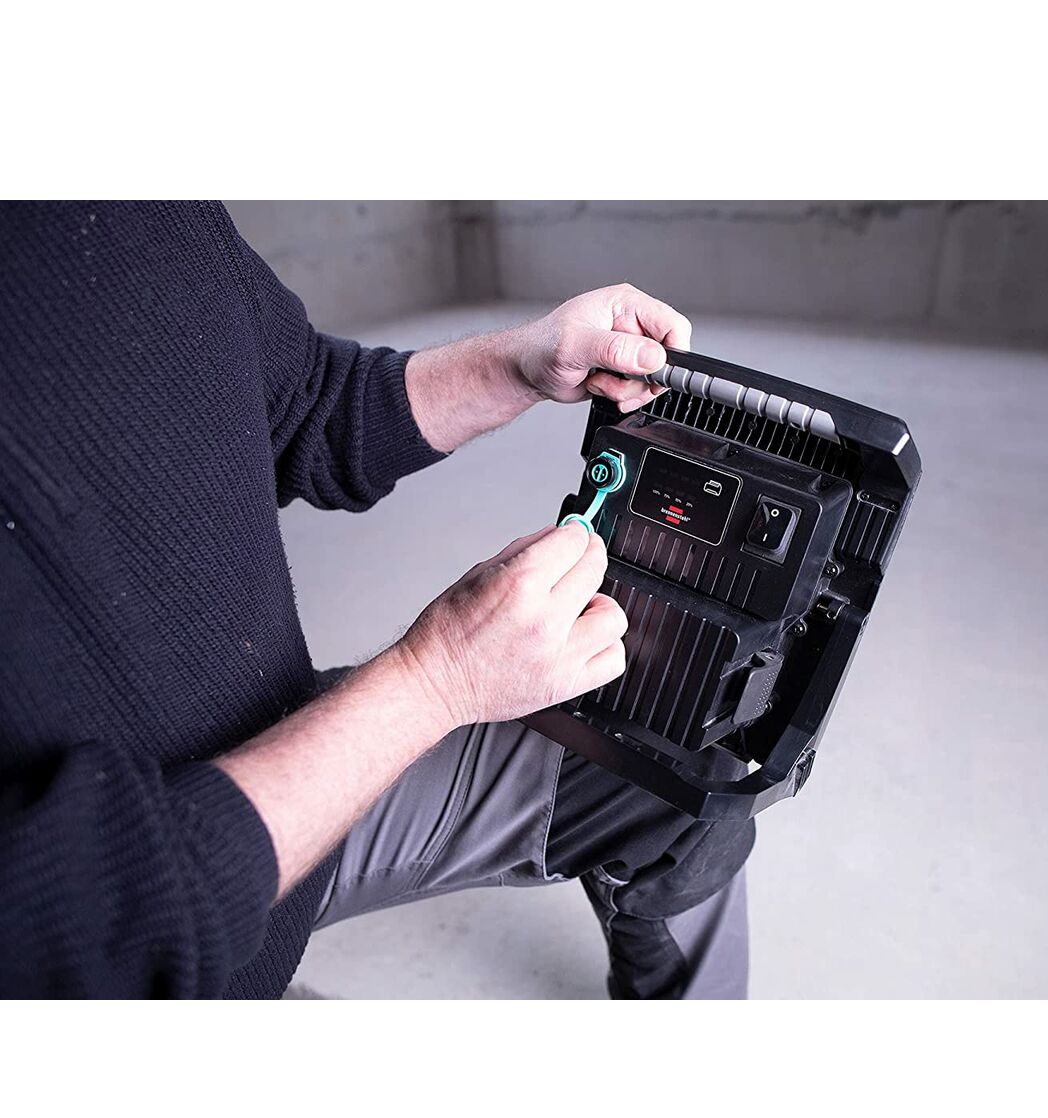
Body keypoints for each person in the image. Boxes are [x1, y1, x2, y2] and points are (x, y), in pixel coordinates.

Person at [0, 201, 754, 1000]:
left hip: (275, 748)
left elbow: (303, 402)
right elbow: (81, 927)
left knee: (679, 782)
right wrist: (435, 681)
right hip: (145, 925)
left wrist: (518, 364)